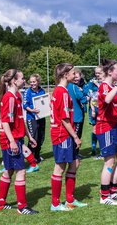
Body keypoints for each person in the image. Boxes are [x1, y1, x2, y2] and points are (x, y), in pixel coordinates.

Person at [0, 69, 39, 214]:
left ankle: (0, 203)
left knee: (9, 171)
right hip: (10, 140)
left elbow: (20, 120)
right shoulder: (10, 98)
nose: (24, 80)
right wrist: (12, 141)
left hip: (16, 138)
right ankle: (22, 207)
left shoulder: (17, 96)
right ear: (14, 80)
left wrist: (29, 136)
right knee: (21, 171)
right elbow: (6, 122)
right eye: (22, 78)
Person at [50, 63, 87, 211]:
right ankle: (55, 204)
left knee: (74, 163)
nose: (75, 75)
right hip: (62, 135)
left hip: (64, 134)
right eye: (72, 73)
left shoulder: (61, 91)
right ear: (65, 75)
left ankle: (70, 199)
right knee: (59, 168)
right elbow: (64, 119)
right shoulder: (62, 92)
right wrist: (76, 137)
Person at [96, 59, 117, 205]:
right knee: (109, 162)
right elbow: (107, 99)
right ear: (110, 72)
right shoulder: (104, 85)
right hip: (106, 127)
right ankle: (104, 196)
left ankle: (113, 191)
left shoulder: (113, 86)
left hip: (116, 126)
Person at [23, 74, 46, 170]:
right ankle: (30, 158)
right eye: (31, 82)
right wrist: (32, 110)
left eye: (34, 82)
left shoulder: (42, 90)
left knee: (41, 137)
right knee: (33, 138)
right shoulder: (27, 92)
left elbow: (44, 102)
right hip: (31, 117)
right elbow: (25, 105)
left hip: (41, 117)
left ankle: (37, 156)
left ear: (38, 82)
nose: (32, 84)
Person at [67, 68, 88, 158]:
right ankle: (74, 155)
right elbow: (83, 99)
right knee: (76, 135)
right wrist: (87, 98)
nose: (75, 78)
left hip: (70, 115)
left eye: (77, 77)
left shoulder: (67, 86)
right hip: (77, 116)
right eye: (74, 76)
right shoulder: (74, 87)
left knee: (72, 135)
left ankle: (74, 153)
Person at [86, 66, 104, 157]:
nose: (97, 75)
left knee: (102, 129)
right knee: (95, 129)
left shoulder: (105, 82)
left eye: (99, 73)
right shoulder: (91, 82)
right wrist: (92, 109)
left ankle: (102, 150)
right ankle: (94, 148)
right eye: (96, 73)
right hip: (94, 108)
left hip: (104, 110)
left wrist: (98, 85)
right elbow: (90, 96)